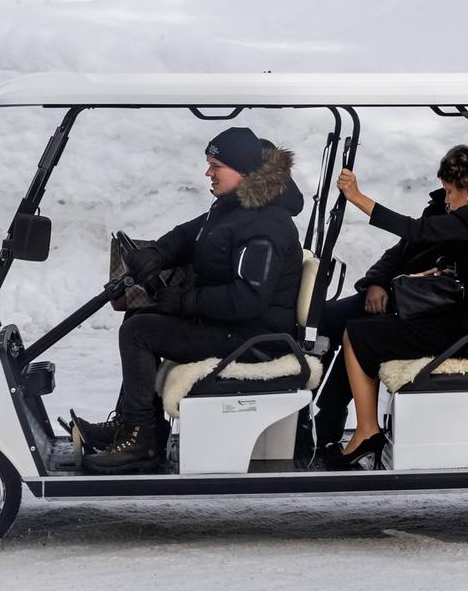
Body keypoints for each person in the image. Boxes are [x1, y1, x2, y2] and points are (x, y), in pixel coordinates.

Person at [79, 126, 305, 472]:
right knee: (137, 319)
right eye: (208, 164)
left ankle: (141, 443)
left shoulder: (265, 227)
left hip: (251, 336)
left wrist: (183, 301)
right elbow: (191, 234)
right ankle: (134, 424)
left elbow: (247, 299)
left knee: (138, 332)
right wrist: (157, 253)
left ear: (243, 172)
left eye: (216, 166)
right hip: (228, 324)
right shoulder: (234, 205)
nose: (208, 173)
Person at [329, 146, 468, 469]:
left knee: (357, 333)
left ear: (467, 188)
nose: (446, 201)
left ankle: (366, 432)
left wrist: (357, 197)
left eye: (449, 192)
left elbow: (414, 231)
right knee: (369, 330)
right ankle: (360, 429)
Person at [302, 187, 447, 457]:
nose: (447, 193)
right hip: (393, 295)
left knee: (358, 334)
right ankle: (309, 416)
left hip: (418, 307)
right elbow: (399, 250)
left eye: (451, 187)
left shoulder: (467, 223)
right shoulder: (440, 206)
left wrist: (396, 291)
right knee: (324, 319)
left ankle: (327, 420)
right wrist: (375, 282)